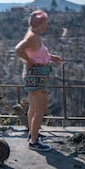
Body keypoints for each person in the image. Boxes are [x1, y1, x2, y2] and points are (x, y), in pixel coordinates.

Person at [15, 10, 62, 151]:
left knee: (34, 108)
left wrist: (51, 57)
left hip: (33, 75)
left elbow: (36, 52)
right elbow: (18, 49)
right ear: (40, 24)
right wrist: (30, 61)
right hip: (36, 77)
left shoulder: (33, 35)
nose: (46, 25)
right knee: (40, 109)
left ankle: (32, 134)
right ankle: (34, 142)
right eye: (45, 22)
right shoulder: (32, 37)